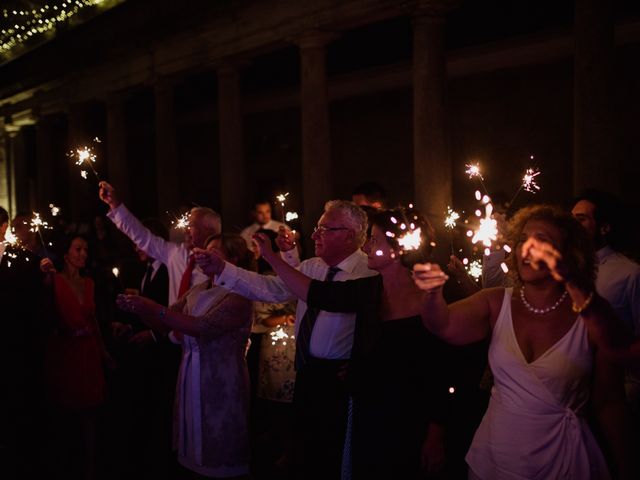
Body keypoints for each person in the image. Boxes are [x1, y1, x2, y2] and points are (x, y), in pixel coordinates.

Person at [413, 204, 633, 479]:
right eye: (522, 240)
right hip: (495, 458)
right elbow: (442, 324)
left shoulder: (590, 316)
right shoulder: (495, 301)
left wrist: (626, 467)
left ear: (568, 254)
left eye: (542, 242)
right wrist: (432, 293)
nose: (528, 249)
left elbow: (609, 402)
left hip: (563, 459)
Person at [243, 207, 450, 479]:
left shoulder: (429, 300)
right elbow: (316, 293)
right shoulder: (370, 289)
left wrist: (436, 434)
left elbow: (440, 372)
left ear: (398, 248)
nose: (366, 245)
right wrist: (359, 366)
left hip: (408, 416)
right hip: (369, 411)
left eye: (374, 240)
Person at [194, 200, 376, 480]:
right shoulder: (312, 266)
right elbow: (270, 288)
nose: (314, 235)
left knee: (336, 458)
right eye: (316, 228)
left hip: (341, 380)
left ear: (349, 235)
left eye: (324, 229)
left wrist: (365, 363)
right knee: (305, 455)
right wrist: (223, 268)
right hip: (306, 372)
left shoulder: (369, 273)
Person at [116, 233, 254, 479]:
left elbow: (201, 327)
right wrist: (139, 308)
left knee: (219, 450)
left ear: (232, 259)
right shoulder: (198, 289)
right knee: (192, 452)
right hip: (190, 374)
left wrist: (152, 307)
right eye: (205, 248)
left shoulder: (239, 294)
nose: (204, 254)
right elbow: (166, 322)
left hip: (221, 379)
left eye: (214, 250)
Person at [40, 234, 113, 480]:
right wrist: (45, 276)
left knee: (91, 412)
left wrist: (103, 352)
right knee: (67, 411)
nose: (83, 254)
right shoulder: (54, 280)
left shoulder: (89, 283)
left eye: (86, 250)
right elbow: (45, 312)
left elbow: (93, 321)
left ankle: (91, 469)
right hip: (65, 352)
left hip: (88, 351)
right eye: (78, 249)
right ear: (66, 253)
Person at [572, 190, 640, 414]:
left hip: (617, 391)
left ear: (604, 227)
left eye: (580, 219)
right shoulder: (565, 270)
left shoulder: (628, 273)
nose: (571, 226)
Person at [98, 180, 221, 304]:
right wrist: (116, 205)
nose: (186, 231)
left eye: (192, 226)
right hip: (172, 322)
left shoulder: (222, 264)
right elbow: (143, 237)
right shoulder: (176, 254)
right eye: (187, 226)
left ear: (208, 231)